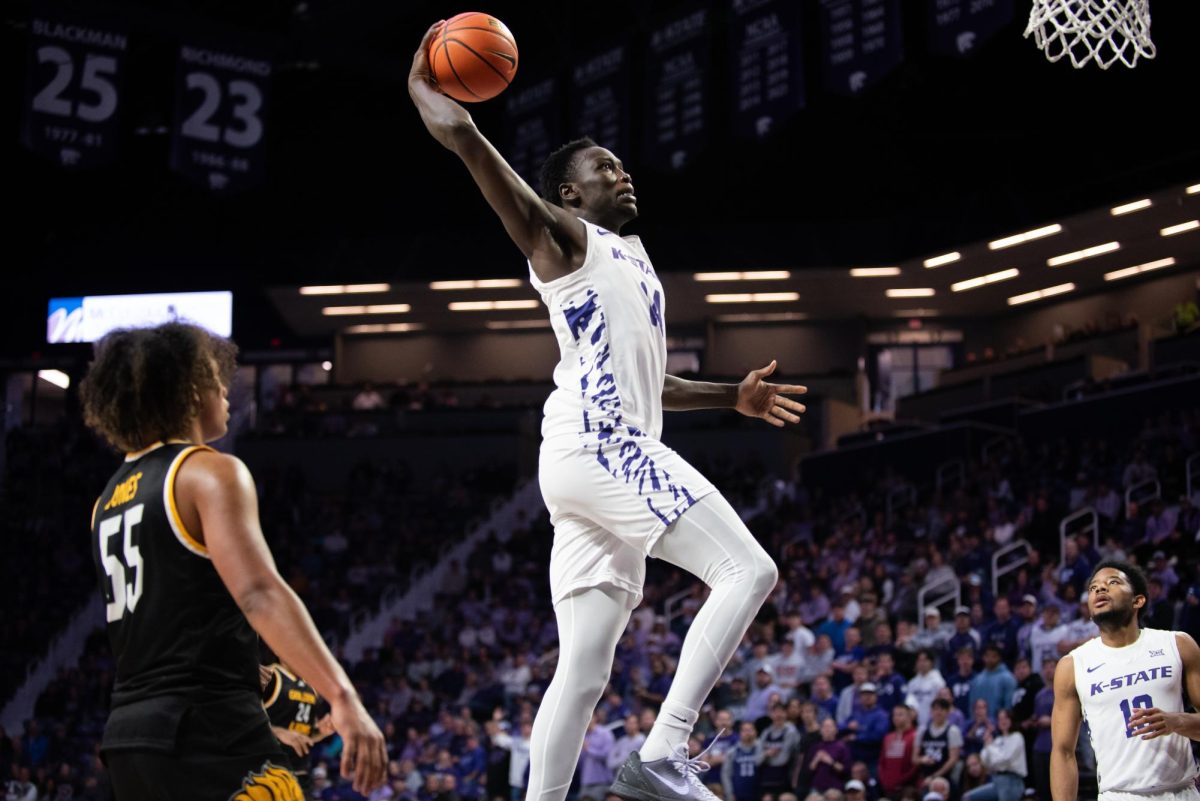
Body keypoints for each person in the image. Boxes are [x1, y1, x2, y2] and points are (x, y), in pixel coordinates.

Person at [409, 21, 806, 801]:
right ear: (569, 192)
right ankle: (663, 751)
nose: (623, 175)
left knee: (584, 669)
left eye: (623, 166)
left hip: (590, 459)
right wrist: (422, 81)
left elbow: (650, 380)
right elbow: (471, 145)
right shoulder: (561, 238)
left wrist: (734, 396)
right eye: (604, 168)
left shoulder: (637, 257)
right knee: (747, 568)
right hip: (600, 444)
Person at [80, 322, 386, 799]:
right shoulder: (207, 471)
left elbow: (174, 629)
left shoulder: (105, 502)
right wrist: (343, 697)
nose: (225, 387)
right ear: (186, 388)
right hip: (204, 727)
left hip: (129, 741)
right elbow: (258, 592)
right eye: (212, 374)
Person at [1051, 559, 1200, 800]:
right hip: (1118, 794)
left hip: (1180, 791)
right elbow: (1062, 751)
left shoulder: (1177, 644)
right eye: (1093, 587)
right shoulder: (1072, 665)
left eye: (1112, 582)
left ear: (1138, 600)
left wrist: (1177, 721)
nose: (1099, 589)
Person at [260, 661, 335, 796]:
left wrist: (321, 732)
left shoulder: (311, 686)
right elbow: (245, 723)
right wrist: (278, 731)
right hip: (267, 772)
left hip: (299, 774)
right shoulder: (269, 675)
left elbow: (304, 736)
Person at [963, 708, 1026, 801]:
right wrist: (987, 745)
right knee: (968, 798)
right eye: (1000, 719)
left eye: (1006, 718)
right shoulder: (997, 740)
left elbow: (1006, 759)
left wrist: (990, 748)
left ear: (1011, 720)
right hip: (996, 780)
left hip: (1012, 780)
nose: (1003, 721)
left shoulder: (1017, 737)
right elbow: (985, 762)